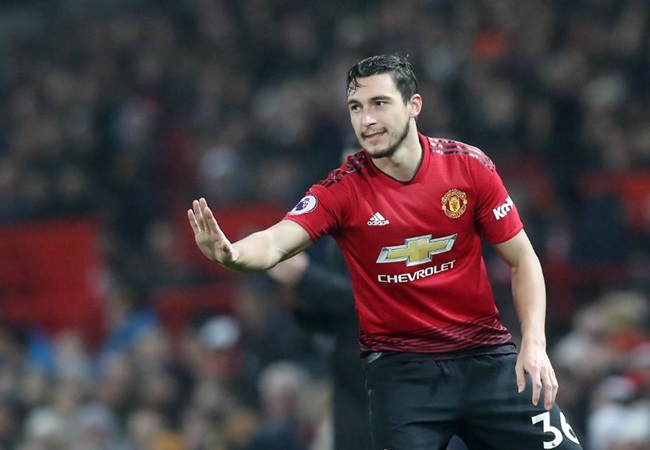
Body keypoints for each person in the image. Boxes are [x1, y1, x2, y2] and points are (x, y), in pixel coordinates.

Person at [187, 54, 583, 449]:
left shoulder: (469, 168)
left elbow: (522, 258)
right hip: (403, 377)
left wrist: (534, 342)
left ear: (414, 105)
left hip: (486, 359)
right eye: (355, 108)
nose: (367, 120)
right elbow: (276, 241)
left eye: (379, 103)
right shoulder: (342, 190)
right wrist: (232, 254)